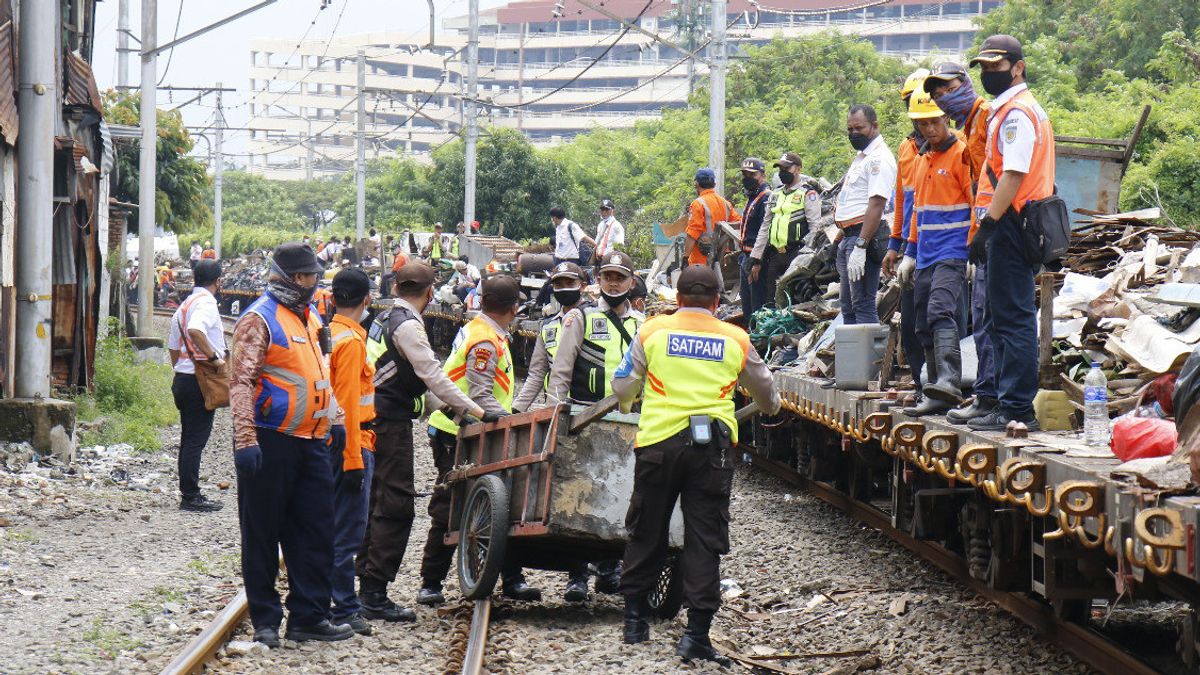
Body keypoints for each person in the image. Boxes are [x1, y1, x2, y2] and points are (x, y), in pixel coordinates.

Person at [614, 265, 780, 665]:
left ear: (677, 298)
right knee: (705, 536)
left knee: (647, 526)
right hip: (712, 452)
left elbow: (623, 386)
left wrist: (631, 399)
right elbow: (767, 393)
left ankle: (635, 620)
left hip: (657, 444)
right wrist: (767, 407)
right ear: (718, 302)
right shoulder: (735, 338)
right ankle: (696, 635)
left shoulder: (652, 330)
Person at [229, 242, 352, 647]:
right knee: (262, 532)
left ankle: (309, 616)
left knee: (316, 531)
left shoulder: (312, 317)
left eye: (313, 276)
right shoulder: (258, 320)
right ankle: (266, 619)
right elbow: (241, 383)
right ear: (286, 278)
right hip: (270, 441)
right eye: (305, 277)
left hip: (312, 442)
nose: (312, 282)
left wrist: (333, 416)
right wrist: (246, 439)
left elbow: (321, 374)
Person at [357, 263, 497, 614]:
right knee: (395, 504)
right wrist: (478, 412)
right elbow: (433, 377)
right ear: (430, 293)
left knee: (376, 501)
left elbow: (411, 380)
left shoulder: (384, 318)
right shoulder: (408, 326)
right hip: (389, 424)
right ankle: (374, 591)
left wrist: (456, 413)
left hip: (374, 418)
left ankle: (364, 583)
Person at [421, 275, 542, 604]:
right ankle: (430, 581)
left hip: (476, 430)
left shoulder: (485, 330)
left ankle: (511, 577)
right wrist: (509, 420)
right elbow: (480, 395)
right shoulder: (486, 340)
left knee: (501, 501)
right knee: (451, 503)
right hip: (458, 431)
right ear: (514, 307)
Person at [967, 35, 1056, 432]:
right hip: (1014, 223)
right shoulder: (1013, 110)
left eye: (996, 67)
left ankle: (1018, 408)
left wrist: (987, 226)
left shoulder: (1017, 114)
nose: (989, 74)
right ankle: (1006, 403)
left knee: (1013, 318)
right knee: (1004, 316)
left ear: (1017, 67)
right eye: (984, 68)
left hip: (1011, 224)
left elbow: (1014, 174)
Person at [546, 251, 644, 601]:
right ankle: (577, 576)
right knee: (579, 497)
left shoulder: (642, 325)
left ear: (631, 282)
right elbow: (561, 370)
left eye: (620, 277)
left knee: (619, 495)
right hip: (584, 417)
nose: (613, 283)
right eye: (608, 277)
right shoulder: (580, 318)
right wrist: (557, 413)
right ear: (598, 281)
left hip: (629, 422)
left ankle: (609, 571)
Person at [925, 61, 998, 423]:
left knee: (991, 317)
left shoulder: (987, 116)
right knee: (982, 316)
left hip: (994, 230)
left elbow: (994, 180)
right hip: (978, 234)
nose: (945, 98)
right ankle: (984, 395)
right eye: (939, 95)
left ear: (966, 83)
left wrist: (985, 228)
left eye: (950, 89)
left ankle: (992, 399)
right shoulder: (968, 126)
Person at [899, 89, 973, 417]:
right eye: (922, 124)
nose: (929, 129)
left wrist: (973, 250)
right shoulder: (921, 159)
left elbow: (976, 204)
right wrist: (909, 252)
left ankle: (949, 381)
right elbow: (918, 211)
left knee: (941, 311)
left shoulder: (962, 153)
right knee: (921, 323)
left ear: (946, 118)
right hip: (927, 254)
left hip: (953, 251)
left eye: (934, 122)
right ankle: (934, 388)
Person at [326, 268, 377, 636]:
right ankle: (344, 607)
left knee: (330, 527)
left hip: (330, 442)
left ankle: (330, 600)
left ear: (332, 299)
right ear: (367, 300)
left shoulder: (329, 334)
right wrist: (354, 460)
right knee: (347, 532)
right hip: (353, 444)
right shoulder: (352, 343)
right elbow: (347, 403)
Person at [882, 69, 931, 402]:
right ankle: (920, 383)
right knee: (913, 323)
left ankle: (945, 386)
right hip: (913, 247)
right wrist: (894, 245)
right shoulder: (905, 148)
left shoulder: (950, 145)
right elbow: (902, 199)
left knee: (939, 322)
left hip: (942, 247)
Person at [166, 259, 226, 513]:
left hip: (183, 378)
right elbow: (195, 330)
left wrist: (183, 367)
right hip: (198, 382)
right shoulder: (206, 304)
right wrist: (214, 359)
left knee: (189, 438)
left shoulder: (184, 306)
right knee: (194, 441)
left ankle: (189, 492)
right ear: (218, 281)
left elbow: (172, 347)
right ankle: (190, 496)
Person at [833, 105, 896, 325]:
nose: (853, 134)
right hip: (850, 235)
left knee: (862, 304)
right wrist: (842, 233)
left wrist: (861, 245)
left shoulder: (879, 158)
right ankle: (853, 359)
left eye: (859, 128)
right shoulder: (863, 157)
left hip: (864, 236)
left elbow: (877, 204)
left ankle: (868, 359)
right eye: (850, 129)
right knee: (848, 306)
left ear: (874, 126)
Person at [513, 262, 588, 413]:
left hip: (589, 408)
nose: (564, 288)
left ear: (583, 285)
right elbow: (537, 373)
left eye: (570, 283)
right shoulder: (548, 327)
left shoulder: (594, 318)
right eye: (558, 284)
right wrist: (516, 409)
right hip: (556, 408)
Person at [749, 152, 821, 307]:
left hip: (796, 254)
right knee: (771, 299)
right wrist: (756, 257)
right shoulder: (775, 194)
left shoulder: (808, 193)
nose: (783, 172)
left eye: (786, 168)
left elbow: (815, 227)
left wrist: (808, 256)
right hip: (775, 255)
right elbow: (765, 227)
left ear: (798, 169)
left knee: (792, 299)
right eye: (780, 169)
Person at [735, 157, 771, 319]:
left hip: (756, 259)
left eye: (752, 174)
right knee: (747, 305)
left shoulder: (766, 198)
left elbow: (765, 232)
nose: (747, 178)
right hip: (745, 257)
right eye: (744, 174)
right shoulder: (752, 197)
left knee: (757, 306)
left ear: (762, 175)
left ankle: (758, 340)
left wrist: (757, 261)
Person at [685, 168, 741, 270]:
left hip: (701, 262)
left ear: (696, 184)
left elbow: (692, 233)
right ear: (714, 184)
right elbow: (738, 223)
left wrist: (685, 257)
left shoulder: (698, 204)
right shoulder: (726, 204)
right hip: (721, 259)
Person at [592, 199, 625, 269]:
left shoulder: (616, 226)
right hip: (599, 260)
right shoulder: (600, 224)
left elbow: (619, 245)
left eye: (607, 210)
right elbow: (597, 242)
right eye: (602, 209)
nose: (604, 212)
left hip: (610, 260)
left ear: (612, 211)